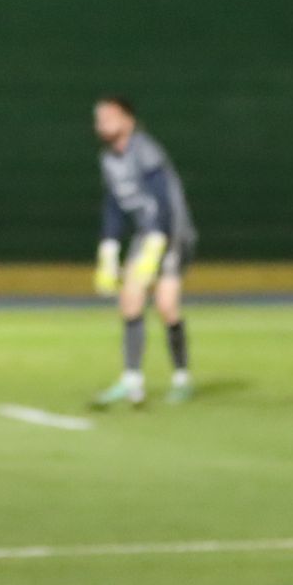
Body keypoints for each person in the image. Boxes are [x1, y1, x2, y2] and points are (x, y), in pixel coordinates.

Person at [90, 95, 197, 407]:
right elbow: (114, 205)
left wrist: (157, 244)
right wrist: (108, 249)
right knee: (130, 300)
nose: (102, 124)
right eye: (99, 119)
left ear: (128, 120)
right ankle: (132, 380)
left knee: (166, 306)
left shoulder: (146, 151)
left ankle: (181, 377)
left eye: (109, 116)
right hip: (146, 235)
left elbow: (164, 201)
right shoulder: (109, 159)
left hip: (172, 233)